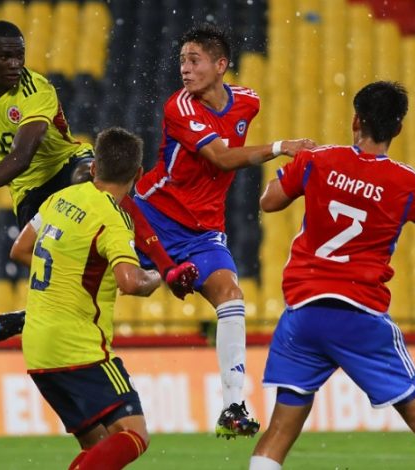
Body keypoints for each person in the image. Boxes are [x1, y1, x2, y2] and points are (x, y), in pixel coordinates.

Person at [248, 82, 415, 470]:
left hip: (305, 313)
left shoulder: (318, 160)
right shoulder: (406, 182)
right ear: (397, 129)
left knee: (279, 433)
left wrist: (288, 170)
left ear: (355, 120)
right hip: (359, 313)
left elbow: (269, 202)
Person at [0, 20, 198, 341]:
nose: (15, 65)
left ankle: (167, 267)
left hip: (66, 162)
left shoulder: (36, 90)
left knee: (105, 186)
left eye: (19, 56)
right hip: (27, 188)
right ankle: (33, 314)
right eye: (5, 57)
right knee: (45, 255)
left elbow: (21, 156)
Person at [132, 23, 315, 439]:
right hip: (154, 213)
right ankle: (39, 314)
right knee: (129, 285)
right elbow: (222, 158)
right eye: (181, 60)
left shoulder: (248, 101)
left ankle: (234, 405)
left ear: (220, 65)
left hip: (203, 232)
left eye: (194, 60)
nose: (185, 69)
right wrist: (279, 147)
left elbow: (230, 140)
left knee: (231, 298)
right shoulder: (179, 107)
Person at [13, 127, 157, 470]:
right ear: (138, 175)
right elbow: (131, 282)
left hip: (37, 347)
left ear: (94, 168)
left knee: (101, 446)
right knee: (135, 435)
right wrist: (159, 276)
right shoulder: (114, 219)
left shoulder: (60, 198)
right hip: (80, 348)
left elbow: (20, 250)